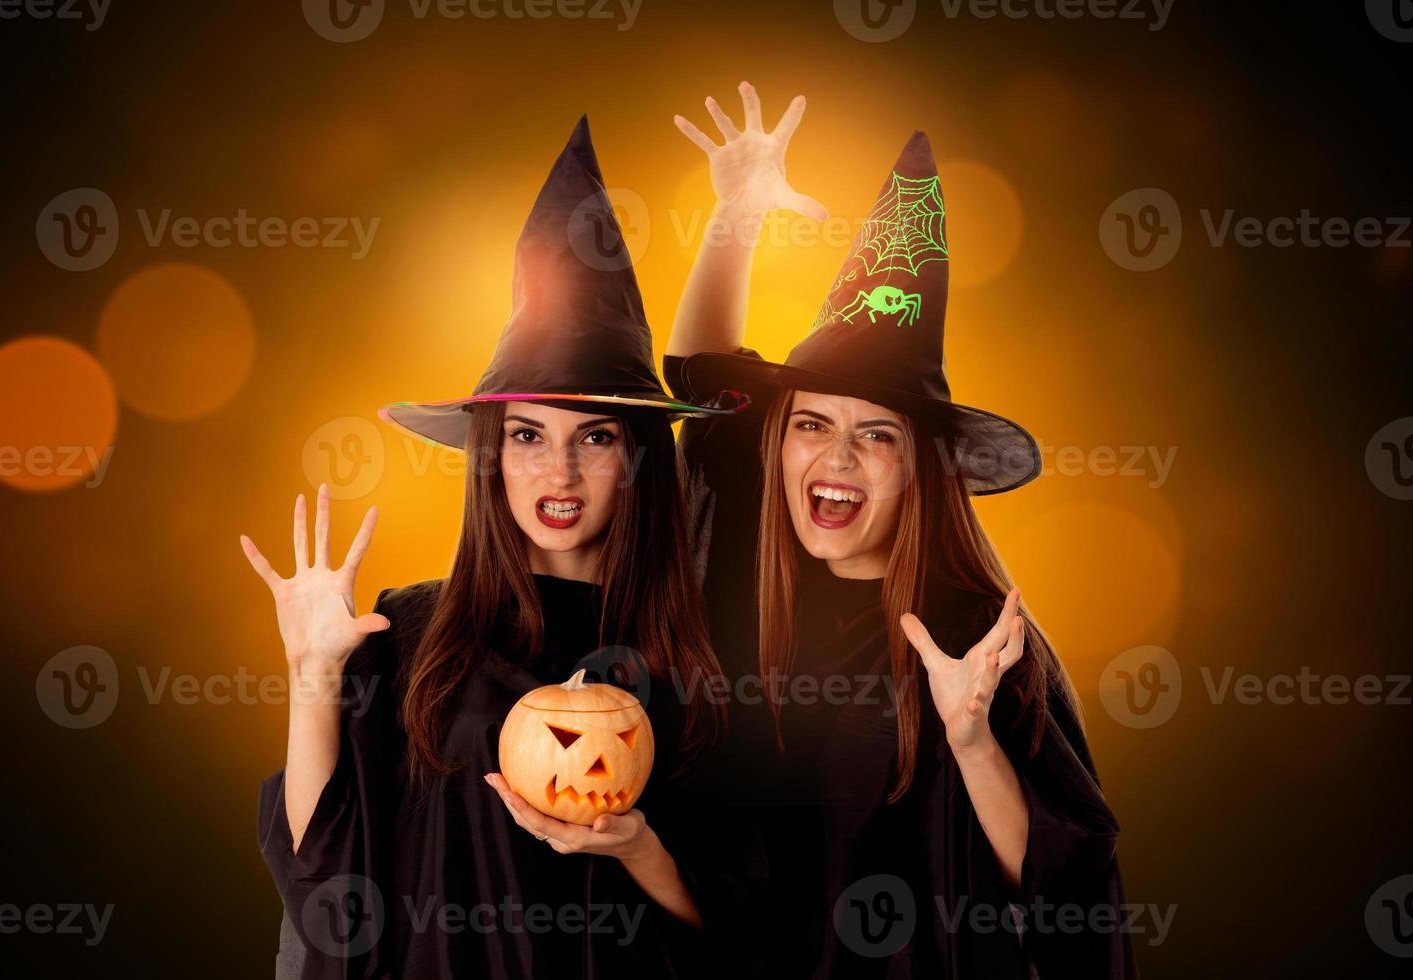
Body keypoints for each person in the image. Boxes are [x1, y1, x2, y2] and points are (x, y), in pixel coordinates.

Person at [244, 117, 743, 980]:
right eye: (525, 435)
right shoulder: (408, 633)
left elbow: (744, 918)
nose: (558, 468)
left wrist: (636, 849)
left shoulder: (689, 657)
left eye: (594, 437)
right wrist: (313, 674)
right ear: (491, 455)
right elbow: (320, 866)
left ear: (638, 461)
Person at [665, 83, 1137, 978]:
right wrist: (736, 214)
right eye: (812, 423)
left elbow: (1056, 877)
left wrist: (971, 743)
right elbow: (697, 388)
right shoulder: (743, 562)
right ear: (775, 443)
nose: (836, 456)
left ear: (921, 464)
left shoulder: (980, 646)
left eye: (875, 434)